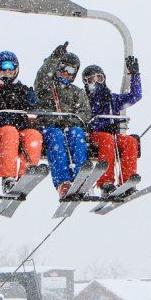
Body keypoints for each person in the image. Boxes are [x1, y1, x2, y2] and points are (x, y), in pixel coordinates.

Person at [34, 42, 91, 197]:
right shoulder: (47, 87)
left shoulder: (76, 92)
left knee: (77, 133)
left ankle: (80, 177)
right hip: (49, 127)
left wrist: (72, 121)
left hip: (69, 127)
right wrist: (54, 58)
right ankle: (63, 182)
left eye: (71, 70)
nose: (66, 73)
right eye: (63, 68)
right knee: (57, 137)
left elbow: (85, 113)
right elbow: (42, 76)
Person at [81, 57, 142, 195]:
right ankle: (106, 182)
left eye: (99, 78)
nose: (96, 82)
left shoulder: (112, 99)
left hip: (113, 135)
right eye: (91, 80)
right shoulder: (84, 99)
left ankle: (127, 181)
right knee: (107, 140)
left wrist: (135, 75)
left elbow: (135, 96)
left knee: (130, 141)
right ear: (86, 83)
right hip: (94, 136)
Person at [0, 51, 43, 193]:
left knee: (33, 135)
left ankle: (25, 176)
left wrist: (32, 109)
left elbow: (32, 109)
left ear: (16, 68)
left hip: (19, 130)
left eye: (11, 66)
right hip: (0, 131)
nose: (7, 70)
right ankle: (8, 178)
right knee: (10, 132)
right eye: (3, 67)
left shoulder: (23, 90)